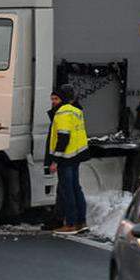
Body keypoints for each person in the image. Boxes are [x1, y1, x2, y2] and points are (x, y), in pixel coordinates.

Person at [47, 84, 89, 235]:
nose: (53, 102)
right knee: (76, 188)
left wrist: (55, 160)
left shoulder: (62, 113)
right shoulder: (76, 111)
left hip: (65, 157)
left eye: (55, 99)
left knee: (67, 190)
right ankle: (81, 222)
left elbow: (63, 137)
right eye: (51, 99)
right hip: (76, 155)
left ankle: (70, 224)